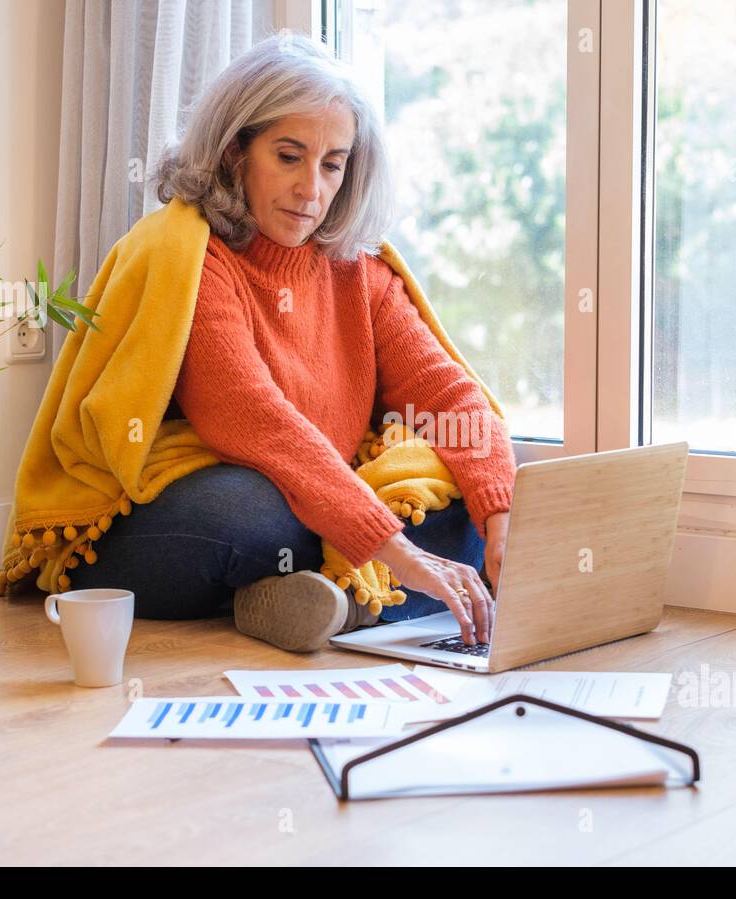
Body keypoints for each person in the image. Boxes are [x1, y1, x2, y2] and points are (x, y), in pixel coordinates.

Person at [66, 33, 517, 655]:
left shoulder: (360, 271)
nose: (312, 188)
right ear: (233, 153)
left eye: (332, 164)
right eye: (288, 156)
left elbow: (450, 396)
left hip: (307, 497)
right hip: (168, 519)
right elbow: (257, 422)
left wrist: (503, 519)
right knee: (252, 513)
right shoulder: (190, 256)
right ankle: (360, 589)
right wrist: (398, 549)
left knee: (455, 493)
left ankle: (312, 600)